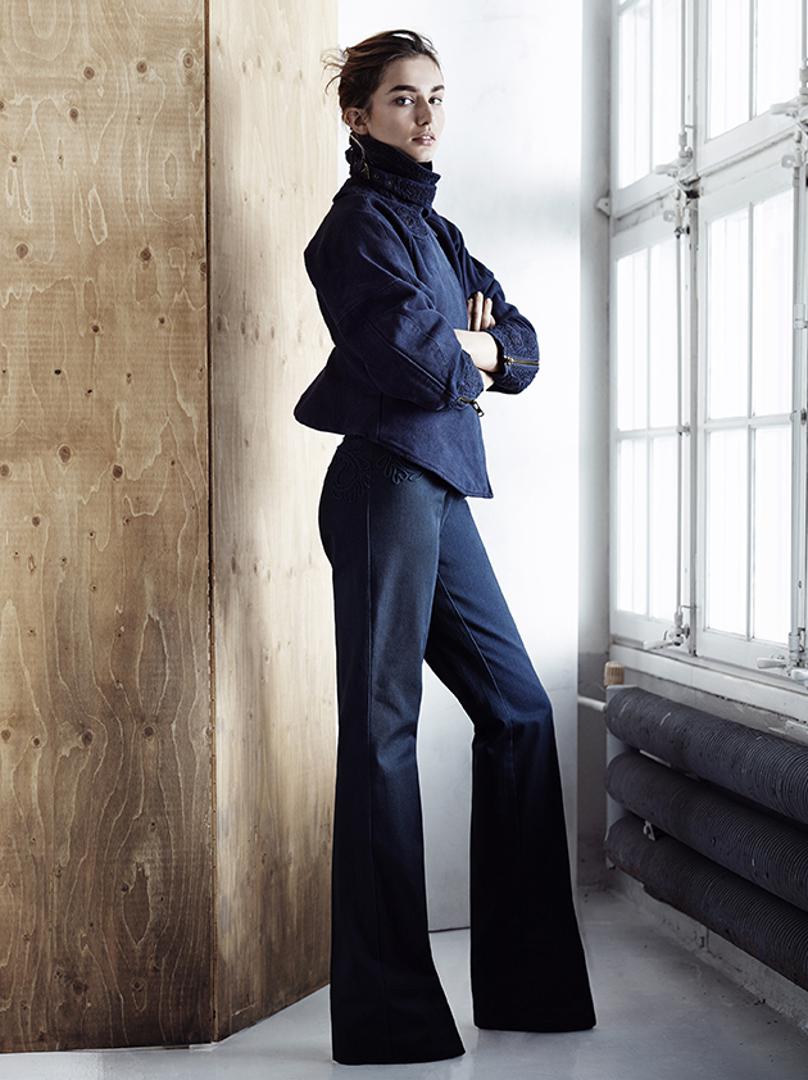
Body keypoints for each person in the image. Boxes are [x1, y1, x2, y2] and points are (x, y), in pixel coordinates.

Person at [293, 27, 597, 1067]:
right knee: (383, 734)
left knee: (519, 710)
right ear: (357, 116)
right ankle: (387, 1017)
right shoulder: (352, 231)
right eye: (401, 99)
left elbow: (525, 347)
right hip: (382, 486)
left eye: (434, 97)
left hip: (436, 489)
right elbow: (418, 362)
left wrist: (478, 345)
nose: (425, 116)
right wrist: (471, 347)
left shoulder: (442, 231)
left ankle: (526, 988)